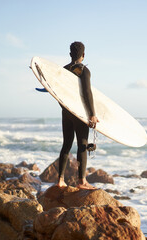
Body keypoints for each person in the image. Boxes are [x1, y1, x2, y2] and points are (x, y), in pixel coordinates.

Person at [56, 41, 99, 189]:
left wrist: (64, 108)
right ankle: (82, 181)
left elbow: (57, 92)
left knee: (66, 144)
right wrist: (92, 114)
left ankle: (60, 181)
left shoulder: (63, 70)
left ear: (70, 54)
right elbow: (87, 92)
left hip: (66, 112)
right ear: (84, 55)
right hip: (79, 112)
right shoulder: (83, 70)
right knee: (82, 145)